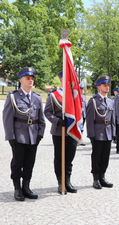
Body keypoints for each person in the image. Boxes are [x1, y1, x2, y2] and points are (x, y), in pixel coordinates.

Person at [3, 67, 46, 201]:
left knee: (29, 163)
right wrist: (11, 137)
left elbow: (41, 120)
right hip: (19, 136)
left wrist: (40, 134)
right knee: (17, 163)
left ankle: (26, 187)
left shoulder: (37, 98)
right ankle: (17, 188)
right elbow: (7, 118)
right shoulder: (13, 97)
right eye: (27, 78)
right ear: (21, 80)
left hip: (33, 136)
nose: (30, 80)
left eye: (32, 78)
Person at [44, 71, 78, 194]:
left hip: (72, 131)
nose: (68, 80)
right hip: (59, 131)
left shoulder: (75, 95)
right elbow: (47, 112)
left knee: (69, 157)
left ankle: (68, 181)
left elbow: (80, 112)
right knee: (59, 158)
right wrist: (57, 121)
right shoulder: (54, 95)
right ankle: (60, 182)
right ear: (61, 80)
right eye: (65, 78)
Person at [86, 75, 115, 189]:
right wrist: (91, 135)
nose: (107, 87)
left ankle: (102, 177)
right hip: (98, 132)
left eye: (108, 85)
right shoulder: (93, 101)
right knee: (97, 156)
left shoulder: (110, 101)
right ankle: (96, 178)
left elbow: (113, 118)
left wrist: (113, 133)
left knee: (105, 156)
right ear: (99, 87)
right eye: (105, 85)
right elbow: (89, 120)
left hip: (108, 132)